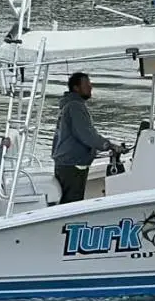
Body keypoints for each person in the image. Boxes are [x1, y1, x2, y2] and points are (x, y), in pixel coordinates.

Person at [51, 71, 121, 205]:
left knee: (67, 203)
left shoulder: (69, 105)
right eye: (87, 84)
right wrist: (109, 145)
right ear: (76, 88)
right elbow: (87, 135)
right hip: (72, 165)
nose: (90, 87)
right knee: (71, 205)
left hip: (66, 163)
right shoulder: (75, 107)